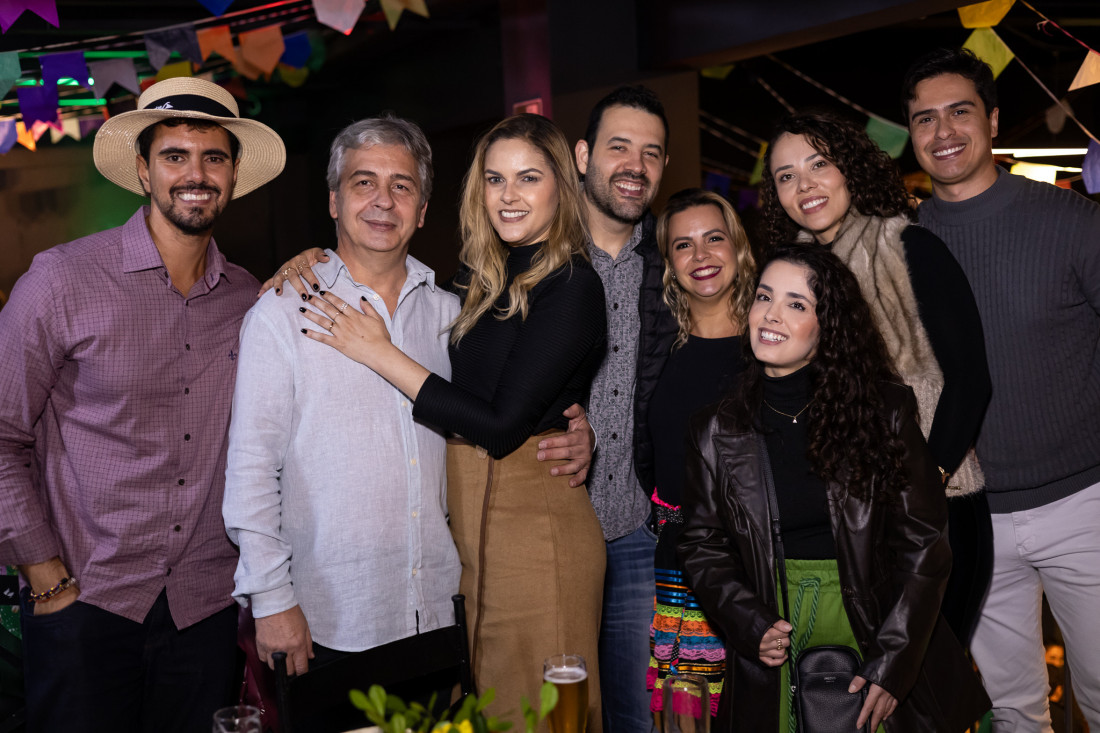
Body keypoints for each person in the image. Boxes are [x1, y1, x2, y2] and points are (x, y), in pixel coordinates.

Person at [296, 113, 608, 730]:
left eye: (528, 177)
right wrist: (312, 260)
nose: (509, 194)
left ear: (561, 187)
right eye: (495, 178)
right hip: (471, 537)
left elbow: (500, 425)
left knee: (545, 718)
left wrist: (379, 351)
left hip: (539, 534)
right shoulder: (478, 279)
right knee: (488, 713)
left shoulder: (572, 285)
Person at [0, 77, 285, 731]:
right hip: (86, 600)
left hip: (205, 608)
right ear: (142, 169)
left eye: (213, 157)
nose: (196, 174)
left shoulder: (250, 299)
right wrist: (45, 576)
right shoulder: (62, 279)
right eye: (175, 156)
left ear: (233, 174)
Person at [678, 243, 990, 733]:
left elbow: (924, 544)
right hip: (772, 632)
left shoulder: (883, 412)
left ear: (828, 328)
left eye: (797, 304)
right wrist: (748, 621)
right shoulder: (714, 429)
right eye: (764, 297)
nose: (771, 315)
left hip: (873, 623)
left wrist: (894, 661)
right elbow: (702, 543)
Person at [903, 47, 1100, 732]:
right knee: (1012, 708)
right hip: (969, 514)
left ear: (990, 120)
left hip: (1084, 502)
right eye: (924, 118)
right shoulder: (902, 245)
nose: (943, 131)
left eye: (959, 112)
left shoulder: (1071, 220)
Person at [222, 116, 461, 678]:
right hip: (328, 621)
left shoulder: (451, 316)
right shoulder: (282, 312)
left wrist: (577, 428)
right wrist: (271, 600)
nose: (383, 201)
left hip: (439, 609)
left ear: (422, 211)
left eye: (402, 186)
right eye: (363, 182)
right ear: (334, 201)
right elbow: (251, 471)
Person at [760, 110, 993, 646]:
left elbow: (970, 381)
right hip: (847, 524)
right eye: (787, 175)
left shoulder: (909, 247)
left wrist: (924, 485)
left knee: (928, 680)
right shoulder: (790, 276)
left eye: (819, 164)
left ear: (850, 168)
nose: (805, 184)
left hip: (935, 514)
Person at [570, 85, 679, 733]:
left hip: (638, 532)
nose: (635, 165)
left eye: (652, 153)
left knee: (638, 719)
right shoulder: (536, 256)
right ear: (584, 156)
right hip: (555, 532)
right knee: (559, 715)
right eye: (619, 147)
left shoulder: (675, 265)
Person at [644, 188, 755, 717]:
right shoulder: (656, 349)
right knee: (683, 716)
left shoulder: (772, 342)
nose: (701, 255)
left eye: (714, 238)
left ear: (738, 246)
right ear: (669, 263)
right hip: (676, 562)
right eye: (683, 245)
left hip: (753, 564)